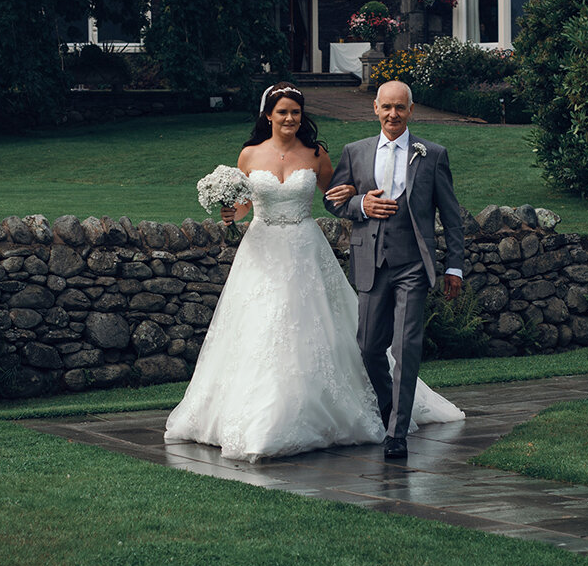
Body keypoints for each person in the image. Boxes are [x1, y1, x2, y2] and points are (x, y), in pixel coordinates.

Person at [164, 82, 463, 463]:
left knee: (326, 333)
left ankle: (388, 423)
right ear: (267, 115)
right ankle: (258, 417)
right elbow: (244, 205)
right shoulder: (249, 155)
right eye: (282, 112)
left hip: (306, 249)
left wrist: (357, 199)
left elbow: (334, 195)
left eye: (295, 112)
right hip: (261, 253)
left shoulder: (317, 154)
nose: (289, 118)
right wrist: (230, 212)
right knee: (262, 332)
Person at [324, 80, 466, 459]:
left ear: (411, 110)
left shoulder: (432, 154)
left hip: (412, 264)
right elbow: (333, 201)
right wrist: (361, 206)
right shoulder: (355, 152)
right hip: (370, 261)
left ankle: (397, 433)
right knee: (369, 347)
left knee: (406, 347)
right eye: (386, 107)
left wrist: (454, 266)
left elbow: (452, 218)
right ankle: (391, 409)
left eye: (399, 108)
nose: (392, 114)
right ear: (375, 108)